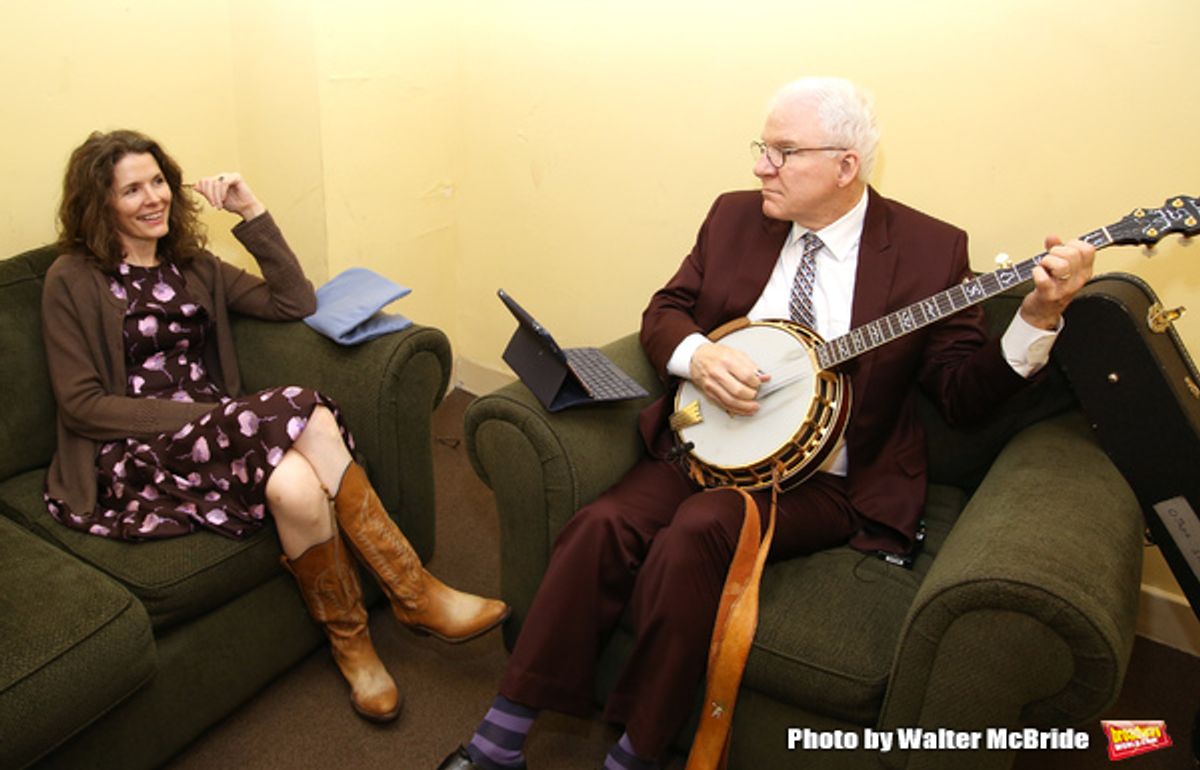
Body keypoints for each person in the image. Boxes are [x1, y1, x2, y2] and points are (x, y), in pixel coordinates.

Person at [438, 76, 1095, 770]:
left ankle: (638, 751)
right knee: (600, 526)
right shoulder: (733, 217)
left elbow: (964, 395)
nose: (760, 167)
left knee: (697, 534)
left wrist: (1038, 317)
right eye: (762, 148)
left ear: (845, 166)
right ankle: (501, 737)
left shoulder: (930, 250)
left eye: (782, 152)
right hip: (706, 441)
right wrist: (699, 354)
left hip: (825, 482)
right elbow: (666, 311)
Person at [43, 129, 509, 724]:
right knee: (306, 409)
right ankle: (414, 591)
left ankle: (353, 644)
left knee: (293, 486)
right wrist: (210, 417)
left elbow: (297, 303)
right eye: (131, 189)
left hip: (220, 433)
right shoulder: (71, 279)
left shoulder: (193, 266)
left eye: (157, 180)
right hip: (137, 451)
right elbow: (83, 405)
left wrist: (251, 211)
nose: (152, 197)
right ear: (99, 203)